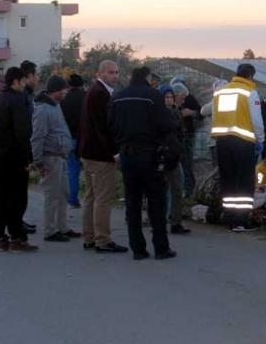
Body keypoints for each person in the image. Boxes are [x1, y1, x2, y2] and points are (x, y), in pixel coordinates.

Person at [110, 66, 178, 260]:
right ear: (147, 77)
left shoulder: (118, 96)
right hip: (149, 154)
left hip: (127, 154)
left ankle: (138, 249)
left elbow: (111, 124)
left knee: (133, 203)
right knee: (157, 202)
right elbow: (167, 124)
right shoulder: (153, 96)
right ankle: (161, 248)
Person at [0, 67, 37, 252]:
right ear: (16, 81)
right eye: (23, 81)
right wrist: (29, 159)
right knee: (18, 198)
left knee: (1, 196)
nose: (24, 84)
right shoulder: (19, 100)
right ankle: (17, 238)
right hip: (16, 157)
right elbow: (23, 133)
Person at [78, 60, 128, 253]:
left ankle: (89, 237)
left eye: (116, 72)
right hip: (100, 155)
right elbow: (103, 128)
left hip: (89, 152)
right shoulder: (100, 93)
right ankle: (102, 239)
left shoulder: (94, 91)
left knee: (90, 197)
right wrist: (114, 152)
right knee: (102, 198)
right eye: (111, 72)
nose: (115, 76)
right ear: (100, 73)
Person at [211, 63, 264, 230]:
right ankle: (241, 220)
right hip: (243, 142)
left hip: (222, 142)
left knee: (228, 179)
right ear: (250, 76)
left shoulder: (221, 92)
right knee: (244, 181)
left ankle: (229, 218)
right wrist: (260, 139)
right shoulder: (250, 93)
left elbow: (215, 116)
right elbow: (256, 121)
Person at [31, 75, 80, 242]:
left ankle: (62, 227)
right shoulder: (43, 109)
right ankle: (50, 230)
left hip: (61, 156)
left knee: (62, 193)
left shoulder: (55, 106)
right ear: (56, 91)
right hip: (50, 158)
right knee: (52, 195)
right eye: (63, 89)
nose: (66, 92)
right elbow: (37, 137)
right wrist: (38, 161)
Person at [162, 84, 190, 234]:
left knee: (178, 188)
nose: (169, 100)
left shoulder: (176, 112)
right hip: (162, 156)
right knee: (162, 190)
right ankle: (161, 220)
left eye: (171, 97)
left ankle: (176, 221)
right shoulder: (158, 114)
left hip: (175, 155)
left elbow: (180, 134)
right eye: (166, 97)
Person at [19, 59, 39, 234]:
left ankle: (19, 220)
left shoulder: (28, 94)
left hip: (25, 147)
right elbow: (26, 125)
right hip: (22, 149)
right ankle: (17, 222)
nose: (37, 78)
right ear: (28, 76)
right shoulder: (23, 96)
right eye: (35, 75)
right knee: (18, 190)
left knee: (21, 189)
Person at [171, 81, 200, 199]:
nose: (184, 102)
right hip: (177, 142)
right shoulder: (171, 110)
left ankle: (188, 191)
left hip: (185, 138)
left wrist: (191, 113)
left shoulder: (180, 106)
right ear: (176, 96)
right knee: (183, 165)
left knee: (187, 164)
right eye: (182, 99)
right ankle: (185, 192)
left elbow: (199, 113)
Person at [60, 73, 85, 207]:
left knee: (72, 169)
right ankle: (91, 199)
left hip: (69, 138)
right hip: (85, 139)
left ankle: (72, 199)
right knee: (90, 170)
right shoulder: (87, 97)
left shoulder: (64, 98)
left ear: (69, 85)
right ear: (82, 84)